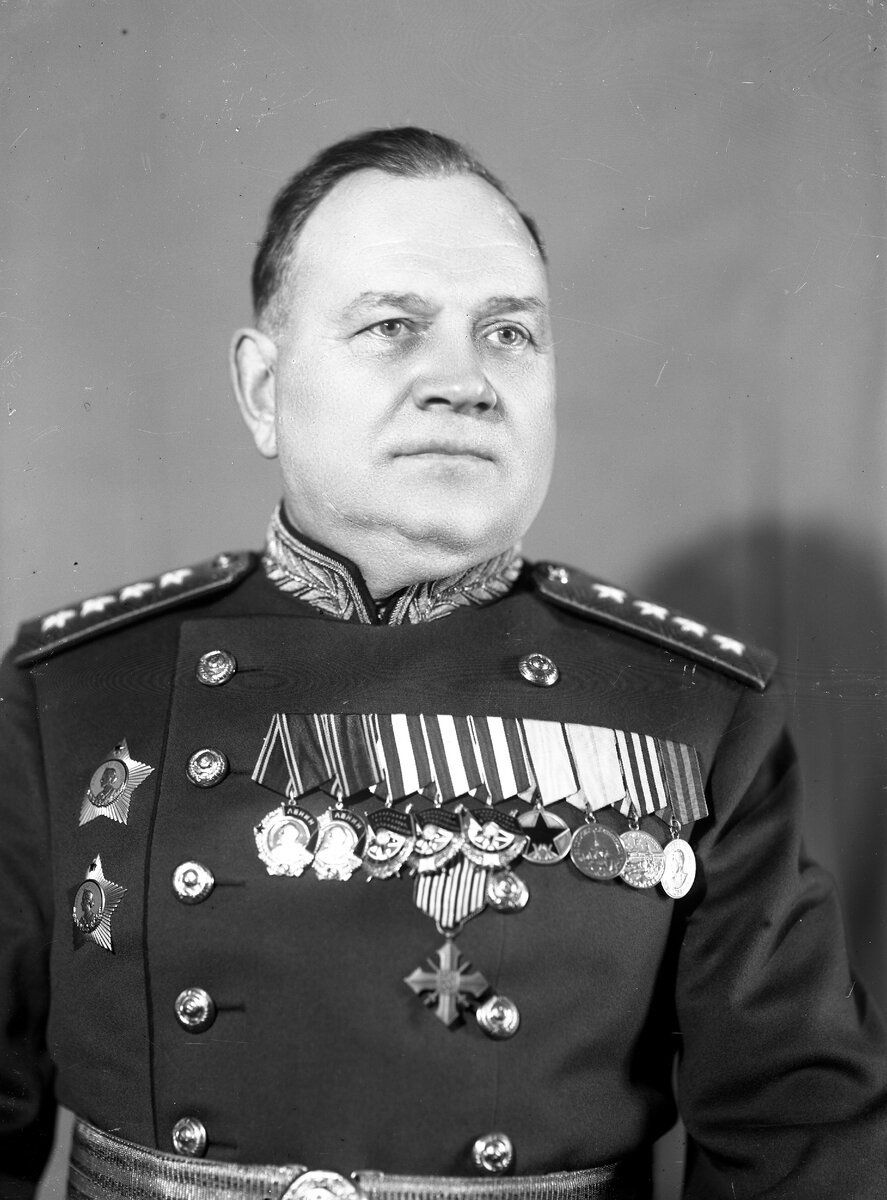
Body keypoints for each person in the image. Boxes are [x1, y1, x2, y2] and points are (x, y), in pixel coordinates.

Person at [1, 127, 885, 1200]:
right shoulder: (73, 688)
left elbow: (798, 1136)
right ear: (263, 390)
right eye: (392, 326)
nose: (464, 381)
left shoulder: (694, 709)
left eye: (508, 333)